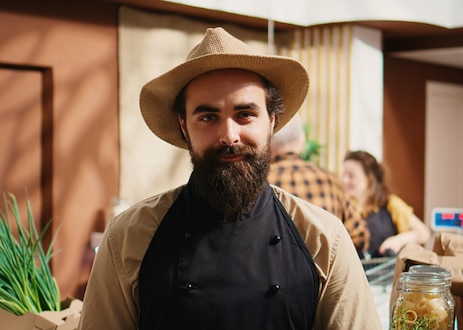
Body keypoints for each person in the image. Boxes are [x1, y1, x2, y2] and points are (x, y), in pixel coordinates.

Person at [79, 27, 382, 329]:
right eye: (208, 117)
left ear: (271, 121)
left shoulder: (324, 239)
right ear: (184, 127)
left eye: (245, 114)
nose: (229, 135)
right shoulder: (128, 237)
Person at [268, 114, 369, 254]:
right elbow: (359, 237)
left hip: (274, 273)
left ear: (268, 144)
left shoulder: (261, 183)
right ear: (302, 141)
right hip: (324, 273)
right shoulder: (331, 181)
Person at [342, 150, 431, 258]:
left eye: (351, 176)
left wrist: (398, 240)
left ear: (369, 178)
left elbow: (423, 233)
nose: (344, 180)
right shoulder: (342, 206)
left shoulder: (390, 203)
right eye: (343, 175)